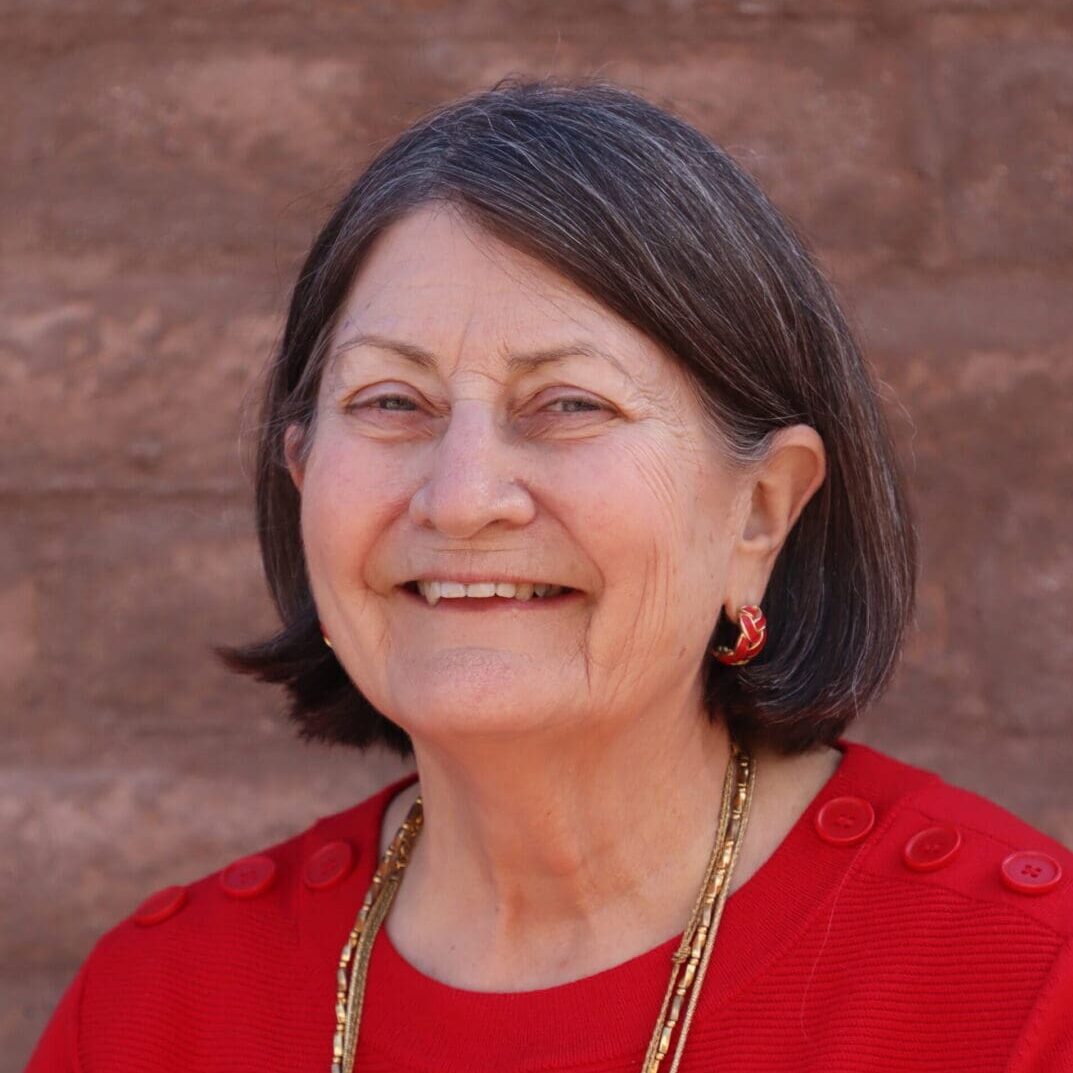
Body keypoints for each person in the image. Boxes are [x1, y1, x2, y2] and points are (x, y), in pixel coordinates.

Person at [25, 76, 1073, 1073]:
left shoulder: (1021, 984)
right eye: (390, 402)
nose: (460, 494)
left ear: (759, 509)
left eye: (568, 403)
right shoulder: (157, 1008)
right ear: (302, 477)